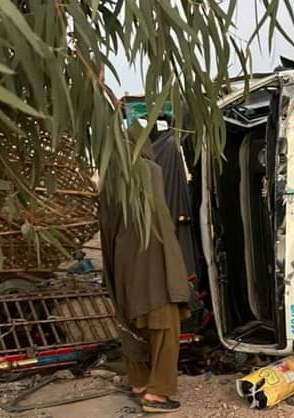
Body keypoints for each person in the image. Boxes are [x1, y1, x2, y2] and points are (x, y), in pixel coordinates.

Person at [99, 126, 191, 413]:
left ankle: (138, 383)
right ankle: (158, 393)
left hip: (124, 262)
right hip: (154, 261)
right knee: (165, 324)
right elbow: (160, 221)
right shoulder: (150, 170)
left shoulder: (109, 176)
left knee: (131, 322)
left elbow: (107, 228)